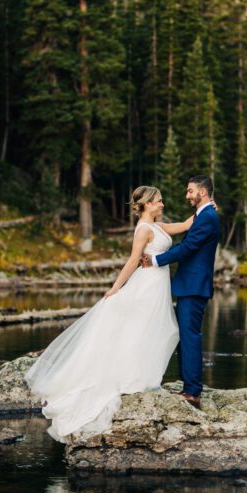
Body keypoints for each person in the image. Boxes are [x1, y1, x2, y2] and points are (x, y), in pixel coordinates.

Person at [24, 186, 194, 442]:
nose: (162, 204)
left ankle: (145, 375)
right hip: (146, 285)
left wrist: (206, 208)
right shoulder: (144, 230)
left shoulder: (159, 226)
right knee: (143, 329)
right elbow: (132, 261)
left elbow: (185, 225)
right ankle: (133, 377)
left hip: (159, 286)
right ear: (147, 205)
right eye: (158, 201)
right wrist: (116, 287)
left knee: (158, 330)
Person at [142, 175, 220, 407]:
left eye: (190, 191)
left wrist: (156, 260)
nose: (187, 195)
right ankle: (189, 387)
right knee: (185, 336)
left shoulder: (207, 217)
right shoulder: (203, 215)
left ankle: (193, 392)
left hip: (194, 286)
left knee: (189, 336)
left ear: (203, 193)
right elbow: (188, 229)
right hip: (191, 285)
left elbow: (187, 247)